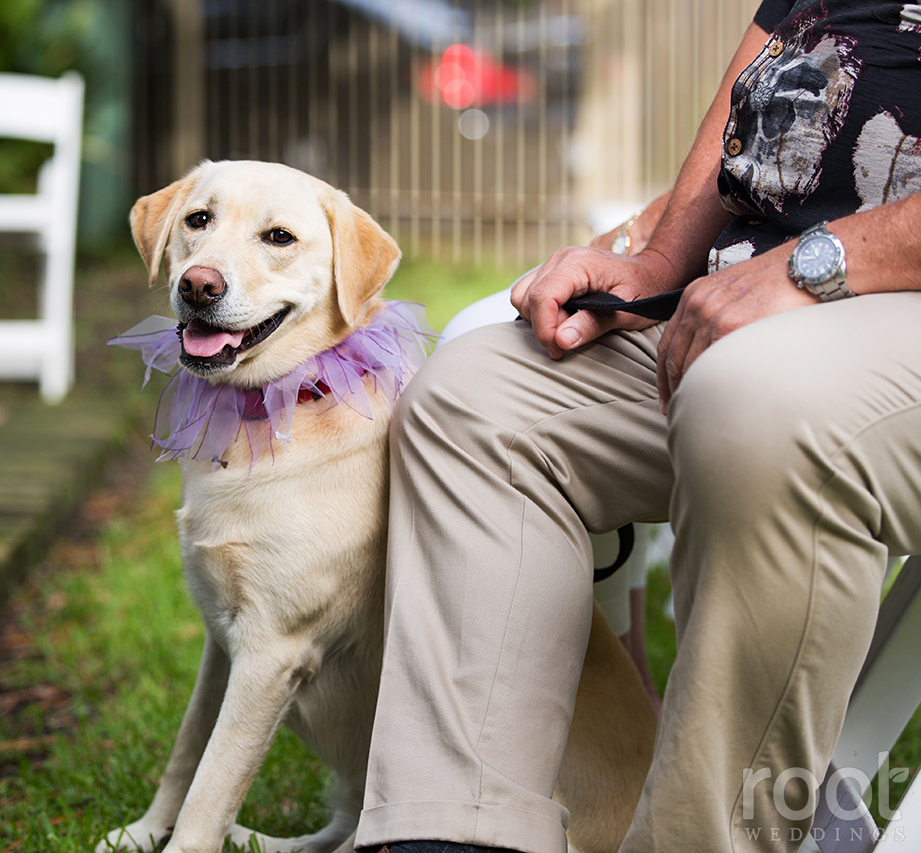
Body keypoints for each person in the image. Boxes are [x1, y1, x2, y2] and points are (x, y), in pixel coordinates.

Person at [357, 2, 921, 852]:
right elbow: (756, 84)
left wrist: (815, 266)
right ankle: (459, 831)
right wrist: (657, 260)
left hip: (875, 309)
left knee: (754, 405)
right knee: (476, 400)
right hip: (748, 294)